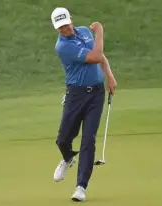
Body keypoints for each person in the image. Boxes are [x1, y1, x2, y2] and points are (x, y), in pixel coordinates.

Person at [50, 7, 117, 201]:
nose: (65, 29)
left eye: (66, 24)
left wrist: (110, 77)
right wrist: (101, 31)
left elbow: (101, 59)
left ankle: (81, 187)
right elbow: (95, 56)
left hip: (96, 94)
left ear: (70, 19)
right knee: (63, 139)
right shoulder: (62, 47)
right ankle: (68, 158)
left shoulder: (85, 32)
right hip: (75, 95)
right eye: (60, 27)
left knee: (88, 139)